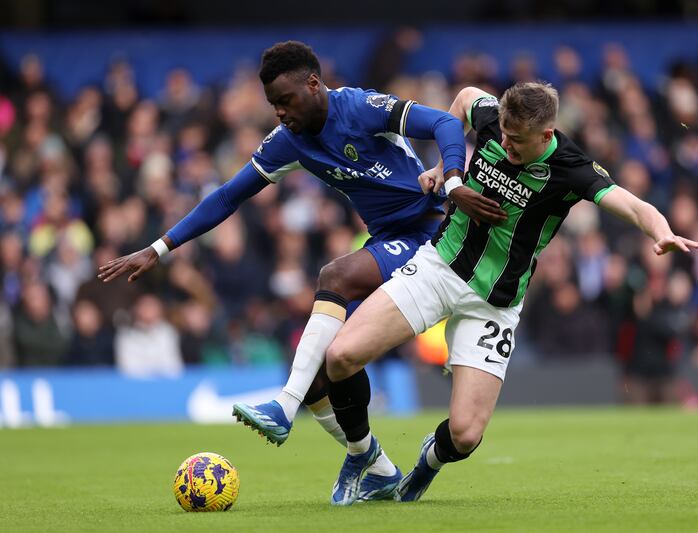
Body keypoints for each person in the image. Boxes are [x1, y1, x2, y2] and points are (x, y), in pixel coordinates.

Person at [96, 40, 504, 501]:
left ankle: (284, 406)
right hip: (387, 239)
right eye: (273, 105)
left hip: (432, 232)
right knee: (322, 372)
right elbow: (228, 196)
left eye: (285, 101)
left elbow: (447, 121)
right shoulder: (289, 142)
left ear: (314, 84)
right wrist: (159, 247)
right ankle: (373, 461)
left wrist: (451, 178)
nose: (280, 113)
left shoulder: (361, 107)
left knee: (334, 276)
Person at [322, 81, 698, 505]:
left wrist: (663, 231)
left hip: (495, 304)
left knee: (465, 435)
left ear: (546, 135)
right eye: (502, 133)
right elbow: (465, 98)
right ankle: (364, 457)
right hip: (438, 268)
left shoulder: (571, 167)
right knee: (340, 357)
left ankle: (429, 461)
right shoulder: (494, 121)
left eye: (516, 140)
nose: (505, 144)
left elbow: (633, 205)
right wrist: (442, 166)